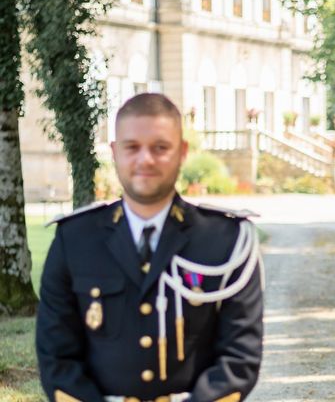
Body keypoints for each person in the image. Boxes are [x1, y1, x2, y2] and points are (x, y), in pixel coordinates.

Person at [36, 93, 263, 402]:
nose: (145, 159)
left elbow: (239, 357)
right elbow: (56, 356)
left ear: (182, 152)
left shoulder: (226, 240)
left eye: (160, 147)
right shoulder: (75, 240)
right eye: (132, 147)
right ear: (115, 152)